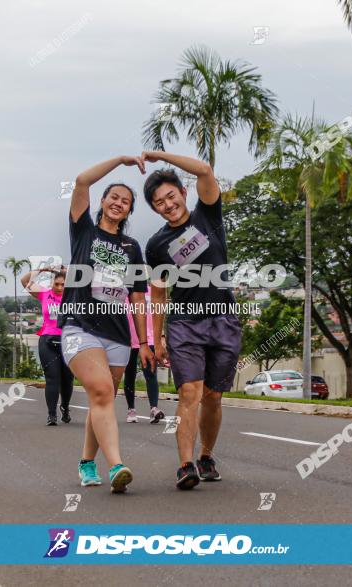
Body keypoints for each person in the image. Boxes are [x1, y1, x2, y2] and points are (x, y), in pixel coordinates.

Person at [142, 151, 241, 490]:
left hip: (223, 319)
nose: (167, 204)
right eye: (159, 202)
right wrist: (156, 339)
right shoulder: (156, 245)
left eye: (170, 196)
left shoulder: (208, 215)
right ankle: (185, 465)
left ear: (183, 193)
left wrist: (156, 155)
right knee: (190, 392)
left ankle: (206, 455)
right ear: (155, 209)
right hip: (184, 324)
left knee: (213, 396)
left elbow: (204, 169)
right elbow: (157, 294)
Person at [58, 155, 153, 493]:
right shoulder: (83, 230)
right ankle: (116, 466)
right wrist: (121, 162)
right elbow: (82, 180)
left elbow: (138, 298)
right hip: (79, 327)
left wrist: (143, 343)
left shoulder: (132, 247)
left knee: (102, 401)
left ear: (128, 212)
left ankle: (87, 462)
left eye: (125, 202)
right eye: (114, 197)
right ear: (102, 201)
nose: (118, 203)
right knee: (100, 392)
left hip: (118, 336)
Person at [21, 265, 74, 426]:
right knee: (52, 379)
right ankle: (52, 415)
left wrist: (68, 271)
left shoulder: (74, 296)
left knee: (67, 379)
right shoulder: (44, 294)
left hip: (69, 342)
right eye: (56, 284)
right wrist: (44, 270)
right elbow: (24, 280)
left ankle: (65, 407)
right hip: (47, 341)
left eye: (62, 284)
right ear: (52, 284)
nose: (59, 287)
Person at [121, 290, 165, 423]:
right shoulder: (126, 291)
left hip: (149, 338)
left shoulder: (152, 291)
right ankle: (131, 409)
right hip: (129, 337)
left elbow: (157, 314)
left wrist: (161, 336)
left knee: (151, 373)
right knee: (130, 373)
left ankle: (154, 408)